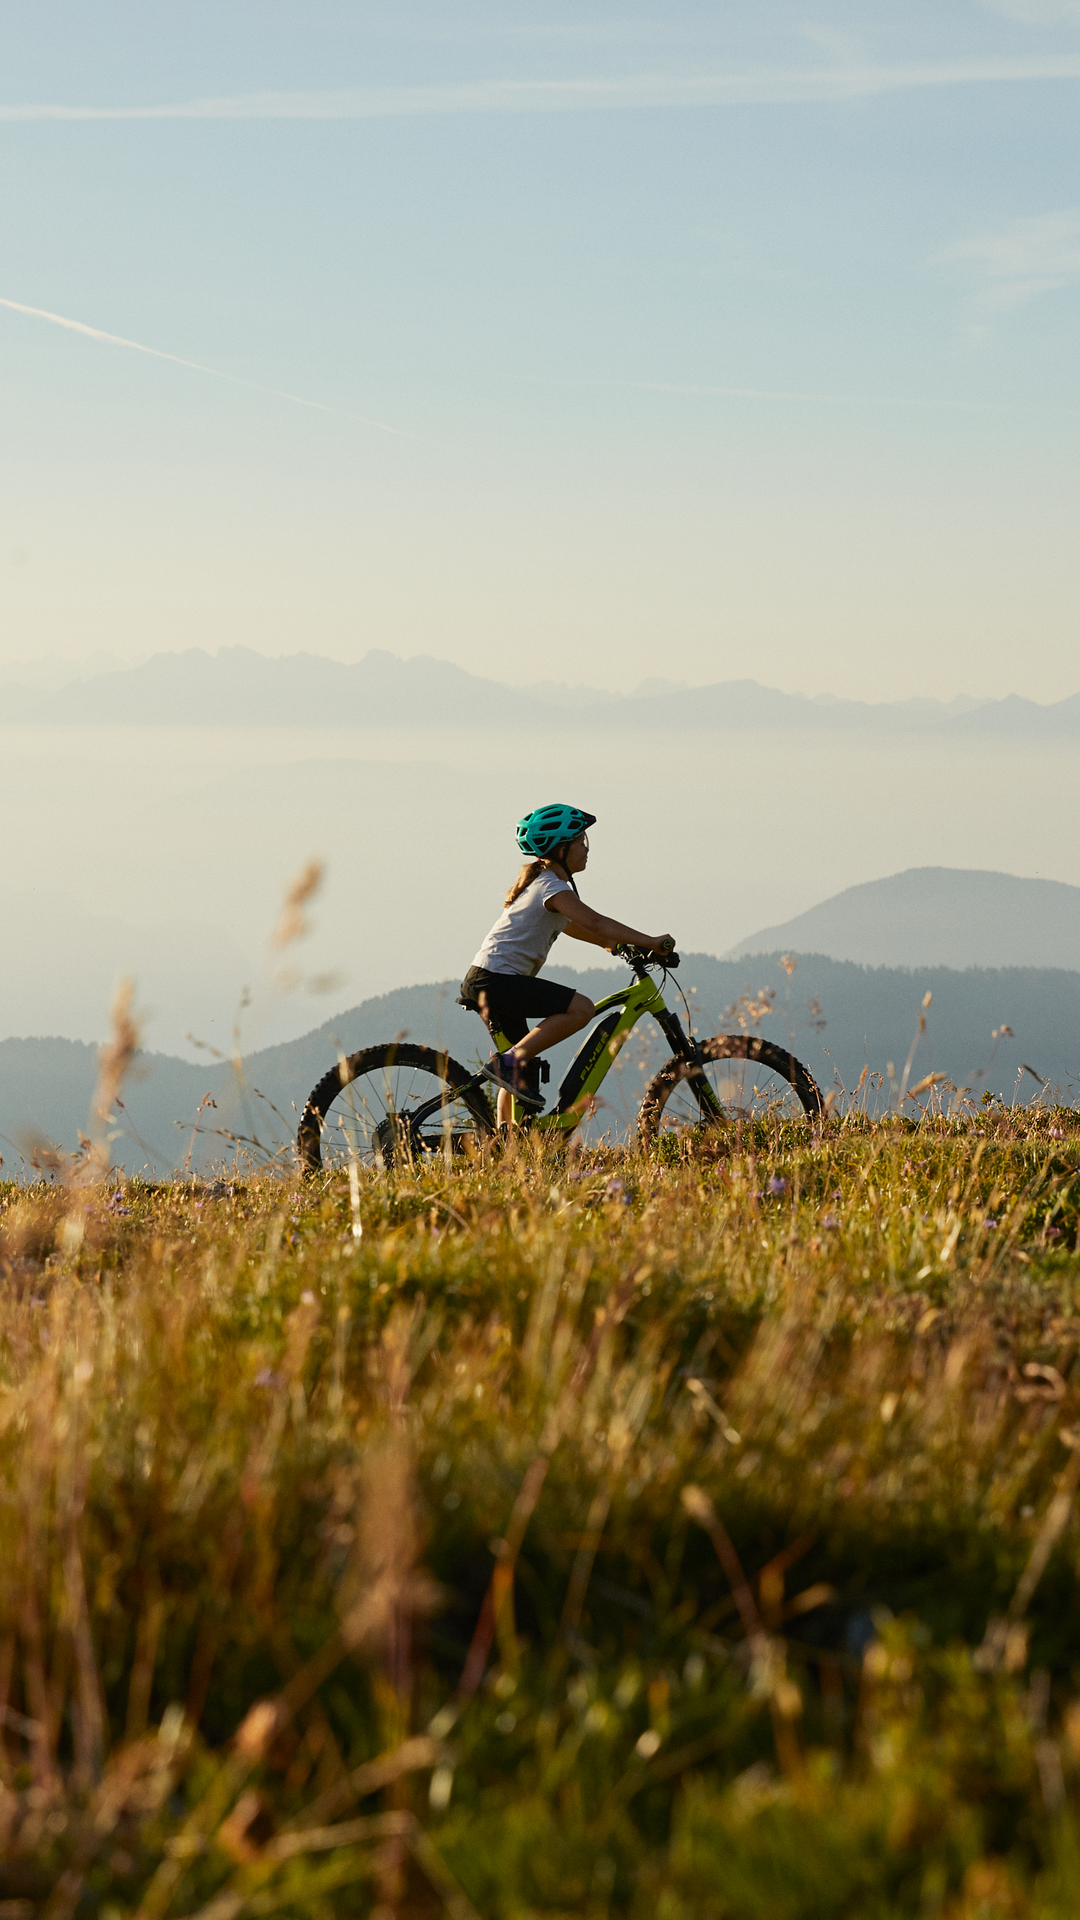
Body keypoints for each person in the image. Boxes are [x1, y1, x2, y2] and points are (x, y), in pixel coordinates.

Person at [458, 804, 676, 1118]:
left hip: (488, 980)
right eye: (580, 842)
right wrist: (651, 941)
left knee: (522, 1070)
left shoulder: (544, 887)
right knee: (581, 1009)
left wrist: (616, 946)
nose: (586, 849)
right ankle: (508, 1064)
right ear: (561, 849)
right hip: (495, 981)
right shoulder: (551, 887)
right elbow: (596, 922)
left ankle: (505, 1145)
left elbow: (584, 930)